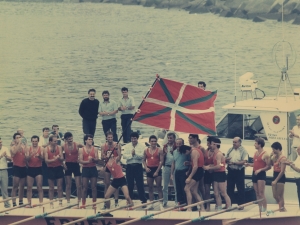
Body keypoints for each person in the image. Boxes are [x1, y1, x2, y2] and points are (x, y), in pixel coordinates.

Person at [204, 138, 231, 211]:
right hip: (216, 174)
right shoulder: (215, 153)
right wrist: (209, 166)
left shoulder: (218, 154)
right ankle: (219, 206)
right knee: (216, 193)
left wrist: (209, 168)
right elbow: (217, 164)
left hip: (221, 174)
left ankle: (229, 206)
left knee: (223, 192)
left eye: (212, 144)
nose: (211, 145)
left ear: (215, 145)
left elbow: (219, 166)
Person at [245, 137, 271, 212]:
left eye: (255, 143)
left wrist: (260, 170)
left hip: (261, 174)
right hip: (254, 173)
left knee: (261, 192)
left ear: (259, 144)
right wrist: (249, 164)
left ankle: (265, 208)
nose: (254, 145)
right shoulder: (255, 153)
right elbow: (256, 164)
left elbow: (269, 166)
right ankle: (260, 207)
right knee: (256, 192)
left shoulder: (265, 154)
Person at [122, 132, 147, 204]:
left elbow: (142, 156)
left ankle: (143, 200)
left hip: (138, 166)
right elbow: (124, 156)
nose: (133, 140)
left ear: (137, 138)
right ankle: (130, 200)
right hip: (129, 166)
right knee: (130, 184)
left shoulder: (142, 146)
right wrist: (131, 155)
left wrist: (135, 154)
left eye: (135, 138)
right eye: (132, 138)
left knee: (140, 184)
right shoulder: (127, 146)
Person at [179, 143, 205, 211]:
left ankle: (189, 208)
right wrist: (189, 163)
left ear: (187, 150)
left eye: (185, 153)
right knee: (194, 191)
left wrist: (189, 177)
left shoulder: (194, 152)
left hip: (197, 171)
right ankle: (202, 207)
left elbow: (196, 166)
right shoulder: (195, 150)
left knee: (186, 188)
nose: (185, 154)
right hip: (199, 170)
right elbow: (197, 162)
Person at [225, 137, 248, 209]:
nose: (233, 144)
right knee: (229, 187)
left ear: (239, 143)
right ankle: (229, 204)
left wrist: (234, 163)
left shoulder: (243, 150)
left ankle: (241, 205)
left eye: (235, 142)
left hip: (239, 171)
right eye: (233, 142)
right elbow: (226, 158)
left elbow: (244, 161)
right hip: (231, 170)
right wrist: (226, 160)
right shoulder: (230, 149)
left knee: (240, 188)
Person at [62, 132, 83, 207]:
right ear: (66, 140)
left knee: (79, 185)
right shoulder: (63, 146)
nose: (70, 140)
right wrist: (63, 164)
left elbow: (85, 149)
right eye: (68, 139)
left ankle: (79, 200)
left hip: (76, 164)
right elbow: (60, 155)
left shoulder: (77, 144)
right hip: (68, 165)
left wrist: (81, 159)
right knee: (68, 185)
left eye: (71, 138)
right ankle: (68, 201)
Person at [101, 131, 121, 208]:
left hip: (115, 166)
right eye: (108, 137)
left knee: (116, 184)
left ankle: (116, 201)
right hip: (108, 166)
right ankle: (106, 202)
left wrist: (117, 150)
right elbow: (102, 157)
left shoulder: (117, 144)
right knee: (107, 184)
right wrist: (104, 156)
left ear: (113, 137)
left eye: (111, 137)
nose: (110, 139)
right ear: (106, 138)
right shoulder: (103, 146)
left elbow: (120, 156)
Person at [143, 135, 163, 210]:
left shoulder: (159, 150)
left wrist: (157, 171)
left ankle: (161, 204)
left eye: (155, 141)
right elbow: (143, 160)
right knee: (150, 187)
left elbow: (161, 161)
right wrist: (146, 167)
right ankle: (151, 204)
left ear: (156, 142)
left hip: (157, 169)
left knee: (159, 187)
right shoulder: (146, 150)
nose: (153, 142)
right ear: (149, 142)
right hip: (149, 169)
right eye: (152, 141)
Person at [79, 134, 99, 209]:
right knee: (84, 187)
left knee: (94, 187)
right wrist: (88, 161)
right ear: (85, 141)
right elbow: (80, 160)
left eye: (91, 139)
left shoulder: (95, 149)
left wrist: (93, 159)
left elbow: (97, 160)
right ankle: (83, 203)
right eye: (89, 139)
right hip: (85, 169)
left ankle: (94, 204)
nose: (91, 141)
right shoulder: (81, 149)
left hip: (93, 168)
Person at [44, 135, 64, 208]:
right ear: (50, 142)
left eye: (57, 141)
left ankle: (60, 202)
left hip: (58, 168)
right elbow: (46, 160)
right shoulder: (46, 149)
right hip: (50, 168)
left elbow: (62, 158)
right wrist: (54, 159)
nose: (56, 142)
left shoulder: (59, 147)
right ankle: (51, 203)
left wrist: (59, 158)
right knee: (51, 187)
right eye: (55, 141)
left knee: (60, 187)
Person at [25, 135, 44, 207]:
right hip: (30, 168)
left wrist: (39, 156)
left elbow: (43, 159)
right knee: (29, 187)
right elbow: (26, 159)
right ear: (31, 142)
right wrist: (31, 155)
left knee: (39, 186)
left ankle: (41, 203)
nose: (34, 143)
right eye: (33, 141)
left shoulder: (41, 148)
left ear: (38, 141)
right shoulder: (28, 149)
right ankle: (29, 203)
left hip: (38, 168)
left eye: (36, 141)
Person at [171, 138, 189, 206]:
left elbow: (191, 162)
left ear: (182, 144)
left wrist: (188, 169)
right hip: (177, 172)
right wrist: (171, 173)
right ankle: (179, 203)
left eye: (180, 144)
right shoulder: (174, 151)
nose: (178, 145)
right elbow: (173, 163)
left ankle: (185, 203)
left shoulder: (186, 152)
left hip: (184, 171)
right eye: (177, 143)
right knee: (178, 189)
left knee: (183, 188)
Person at [188, 134, 205, 205]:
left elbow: (203, 160)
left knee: (201, 187)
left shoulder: (201, 148)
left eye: (191, 138)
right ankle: (194, 203)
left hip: (199, 169)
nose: (189, 140)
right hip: (192, 168)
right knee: (193, 189)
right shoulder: (190, 148)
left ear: (196, 139)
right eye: (189, 138)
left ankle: (204, 203)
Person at [10, 133, 26, 207]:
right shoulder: (13, 147)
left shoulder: (23, 147)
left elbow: (27, 154)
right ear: (14, 139)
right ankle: (13, 201)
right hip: (16, 167)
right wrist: (19, 143)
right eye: (17, 138)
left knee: (22, 186)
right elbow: (13, 153)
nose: (18, 139)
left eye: (19, 137)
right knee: (15, 185)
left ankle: (20, 200)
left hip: (23, 167)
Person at [270, 142, 286, 211]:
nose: (273, 151)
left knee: (280, 195)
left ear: (278, 149)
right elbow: (271, 165)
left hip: (280, 176)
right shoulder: (275, 157)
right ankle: (281, 207)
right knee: (275, 195)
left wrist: (276, 180)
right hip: (275, 174)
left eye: (274, 149)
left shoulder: (283, 158)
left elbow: (282, 171)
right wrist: (271, 157)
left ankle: (282, 208)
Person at [162, 132, 177, 207]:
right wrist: (164, 153)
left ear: (174, 138)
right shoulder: (165, 146)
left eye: (171, 138)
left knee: (175, 185)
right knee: (165, 186)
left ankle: (176, 201)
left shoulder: (176, 146)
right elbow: (162, 157)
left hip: (175, 168)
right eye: (168, 138)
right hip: (166, 166)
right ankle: (165, 201)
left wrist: (172, 153)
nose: (169, 139)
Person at [203, 136, 215, 211]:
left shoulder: (216, 152)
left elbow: (220, 164)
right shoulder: (205, 151)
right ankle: (208, 206)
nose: (207, 145)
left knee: (216, 190)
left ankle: (217, 205)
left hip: (214, 172)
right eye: (207, 143)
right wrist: (205, 167)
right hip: (207, 173)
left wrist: (211, 166)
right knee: (207, 190)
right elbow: (202, 162)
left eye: (208, 143)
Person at [0, 138, 12, 208]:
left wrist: (6, 156)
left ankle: (7, 205)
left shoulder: (5, 148)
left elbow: (10, 159)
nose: (0, 144)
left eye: (1, 142)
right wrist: (1, 156)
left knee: (5, 189)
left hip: (4, 170)